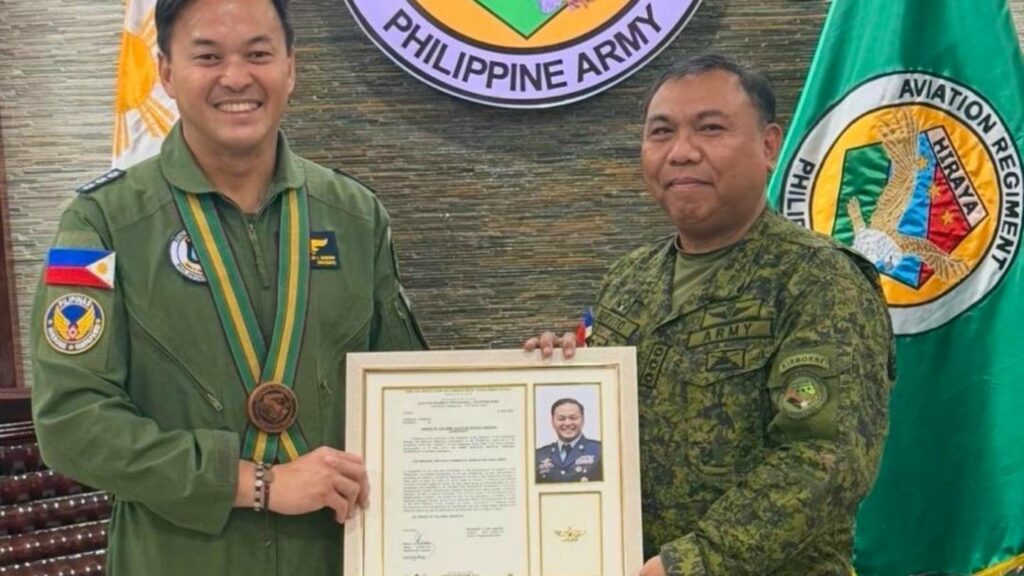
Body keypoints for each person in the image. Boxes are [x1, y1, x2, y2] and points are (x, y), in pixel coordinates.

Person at [30, 0, 427, 574]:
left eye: (258, 54)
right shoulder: (101, 223)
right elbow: (71, 423)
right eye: (208, 57)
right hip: (178, 558)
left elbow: (411, 399)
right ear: (166, 72)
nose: (236, 77)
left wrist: (537, 377)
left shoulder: (355, 216)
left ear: (291, 67)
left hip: (334, 555)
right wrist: (255, 483)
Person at [526, 54, 895, 576]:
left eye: (710, 128)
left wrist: (692, 563)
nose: (681, 152)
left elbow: (825, 460)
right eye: (661, 132)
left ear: (768, 146)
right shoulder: (628, 280)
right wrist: (552, 377)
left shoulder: (818, 279)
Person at [536, 398, 603, 483]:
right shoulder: (539, 456)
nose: (567, 423)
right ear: (552, 422)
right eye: (561, 419)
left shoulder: (600, 451)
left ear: (583, 419)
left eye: (573, 418)